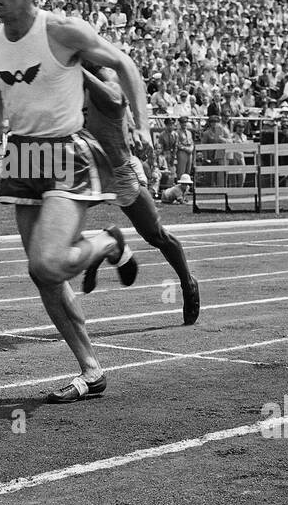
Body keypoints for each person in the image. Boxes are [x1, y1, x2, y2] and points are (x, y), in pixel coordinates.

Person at [0, 0, 145, 403]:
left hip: (66, 152)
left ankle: (109, 242)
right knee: (45, 276)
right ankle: (90, 369)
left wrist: (141, 121)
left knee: (47, 262)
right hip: (22, 157)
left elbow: (123, 63)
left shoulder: (63, 31)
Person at [82, 64, 200, 324]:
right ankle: (113, 247)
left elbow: (115, 99)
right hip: (90, 170)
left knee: (156, 235)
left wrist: (78, 69)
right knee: (59, 223)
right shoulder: (74, 81)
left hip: (121, 171)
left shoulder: (106, 77)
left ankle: (188, 283)